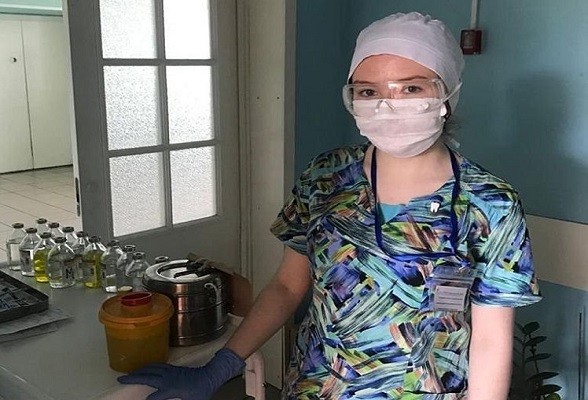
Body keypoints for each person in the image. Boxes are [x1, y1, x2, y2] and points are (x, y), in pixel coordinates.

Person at [118, 11, 541, 400]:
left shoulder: (490, 204)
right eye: (368, 91)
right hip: (317, 386)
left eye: (411, 88)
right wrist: (221, 365)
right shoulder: (327, 176)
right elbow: (287, 287)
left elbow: (490, 340)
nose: (387, 105)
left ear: (447, 93)